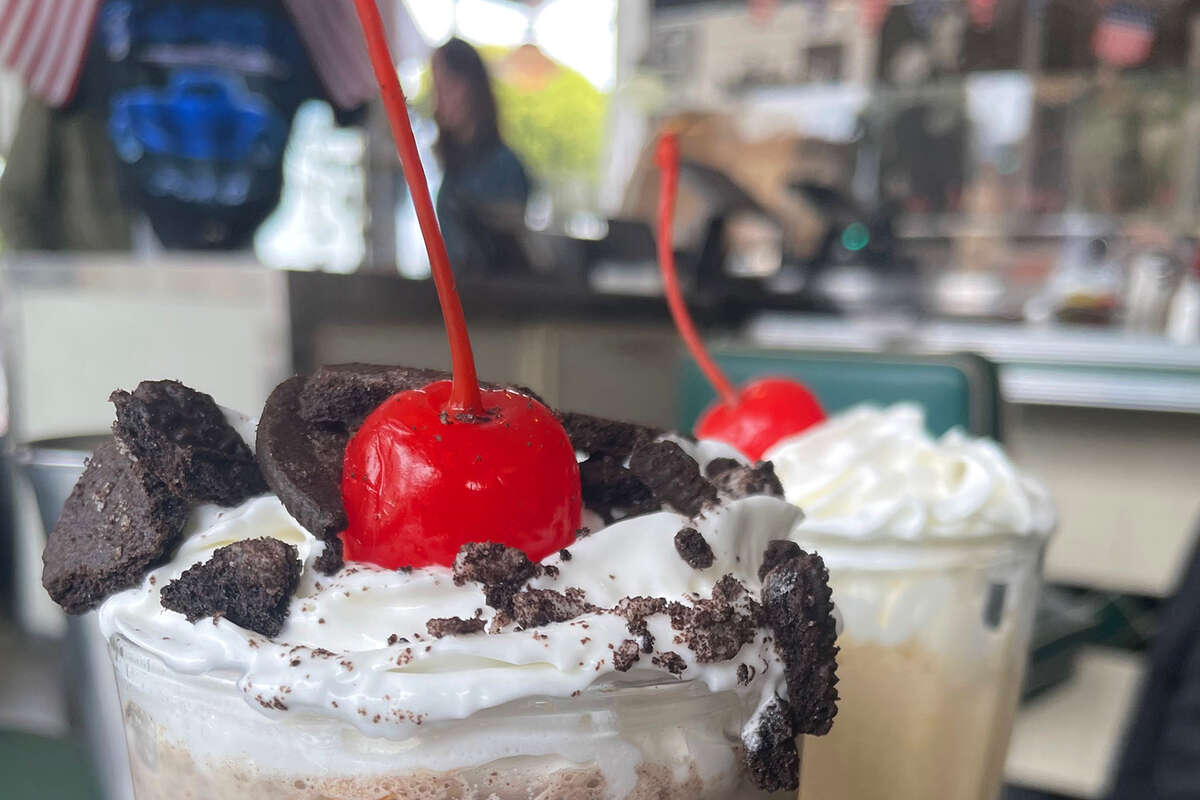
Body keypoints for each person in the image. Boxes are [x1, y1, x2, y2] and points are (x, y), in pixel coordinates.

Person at [431, 38, 531, 275]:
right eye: (436, 88)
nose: (440, 100)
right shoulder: (454, 168)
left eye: (449, 86)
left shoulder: (505, 167)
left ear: (473, 87)